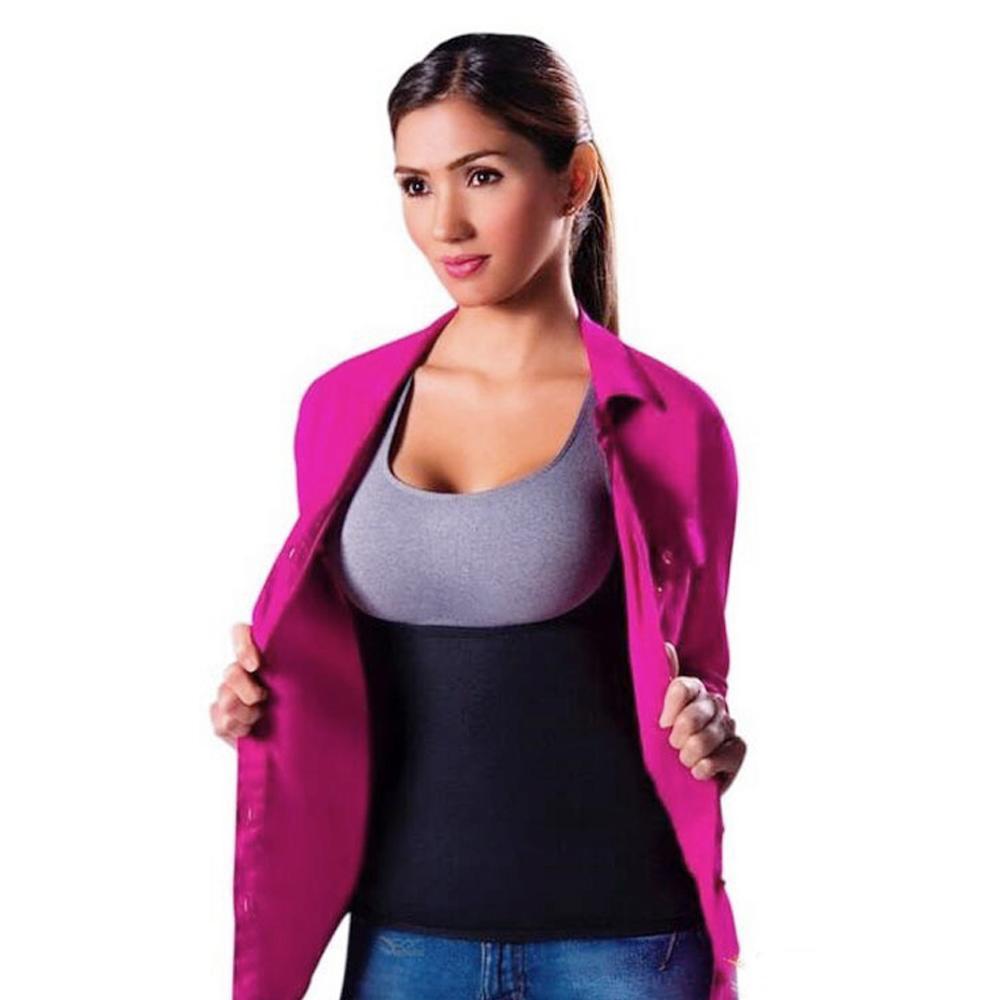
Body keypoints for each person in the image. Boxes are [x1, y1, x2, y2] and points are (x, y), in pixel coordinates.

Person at [210, 32, 746, 1000]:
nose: (445, 223)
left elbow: (699, 673)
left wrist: (710, 724)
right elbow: (340, 668)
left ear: (573, 179)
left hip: (624, 942)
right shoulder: (340, 405)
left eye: (483, 175)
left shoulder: (669, 418)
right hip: (405, 942)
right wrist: (265, 701)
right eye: (415, 185)